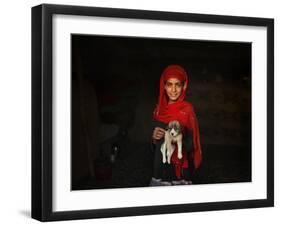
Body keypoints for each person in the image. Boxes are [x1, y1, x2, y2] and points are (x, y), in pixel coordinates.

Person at [150, 64, 202, 186]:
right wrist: (153, 138)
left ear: (184, 86)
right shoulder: (159, 110)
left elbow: (191, 145)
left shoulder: (187, 110)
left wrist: (177, 139)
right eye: (169, 84)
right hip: (161, 168)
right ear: (164, 86)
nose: (173, 90)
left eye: (177, 85)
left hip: (180, 169)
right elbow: (155, 147)